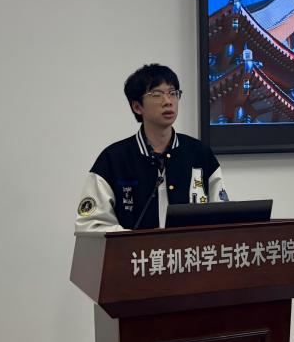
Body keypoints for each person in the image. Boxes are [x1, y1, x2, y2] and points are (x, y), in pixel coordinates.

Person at [75, 64, 229, 232]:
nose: (168, 102)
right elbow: (90, 224)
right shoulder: (113, 159)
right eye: (157, 94)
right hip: (134, 250)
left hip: (190, 249)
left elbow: (223, 216)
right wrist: (137, 240)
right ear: (137, 106)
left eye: (173, 93)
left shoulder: (200, 154)